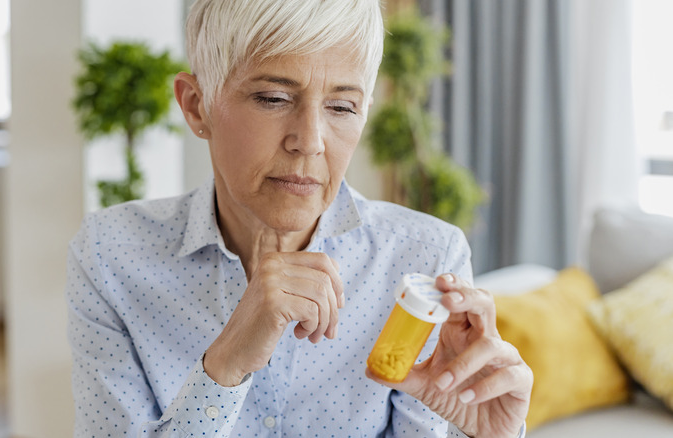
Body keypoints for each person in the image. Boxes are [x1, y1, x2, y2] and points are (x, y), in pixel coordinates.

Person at [65, 0, 533, 436]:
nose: (309, 141)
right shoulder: (110, 255)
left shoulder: (425, 259)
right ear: (196, 105)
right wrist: (223, 367)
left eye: (341, 106)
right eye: (273, 98)